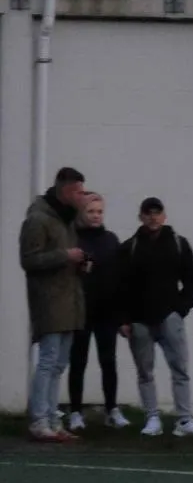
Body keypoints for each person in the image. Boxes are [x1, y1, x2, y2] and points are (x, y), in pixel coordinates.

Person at [120, 196, 193, 438]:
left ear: (164, 215)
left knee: (180, 369)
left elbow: (191, 281)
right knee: (145, 372)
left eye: (157, 212)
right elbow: (120, 287)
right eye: (148, 213)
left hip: (170, 318)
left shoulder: (179, 244)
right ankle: (152, 418)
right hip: (139, 321)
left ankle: (185, 419)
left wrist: (180, 311)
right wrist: (124, 319)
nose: (153, 217)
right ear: (141, 216)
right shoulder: (129, 248)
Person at [19, 167, 89, 442]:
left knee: (59, 364)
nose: (83, 197)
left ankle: (52, 419)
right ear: (67, 191)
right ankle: (39, 420)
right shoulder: (38, 219)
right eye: (80, 192)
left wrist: (80, 263)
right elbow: (29, 259)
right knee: (48, 362)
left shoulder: (67, 219)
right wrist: (65, 255)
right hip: (49, 301)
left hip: (70, 300)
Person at [65, 192, 127, 431]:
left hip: (107, 312)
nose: (96, 216)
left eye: (99, 211)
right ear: (82, 213)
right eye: (91, 211)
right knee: (78, 362)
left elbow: (120, 279)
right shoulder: (72, 238)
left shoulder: (111, 239)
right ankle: (76, 412)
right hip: (80, 311)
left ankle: (112, 409)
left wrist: (122, 317)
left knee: (108, 361)